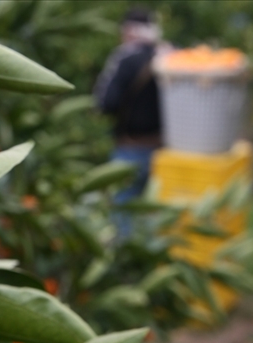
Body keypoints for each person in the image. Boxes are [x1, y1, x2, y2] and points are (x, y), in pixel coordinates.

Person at [93, 8, 164, 238]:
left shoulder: (124, 58)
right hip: (164, 150)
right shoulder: (168, 55)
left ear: (128, 31)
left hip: (130, 149)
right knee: (157, 214)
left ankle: (125, 268)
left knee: (122, 212)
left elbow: (105, 102)